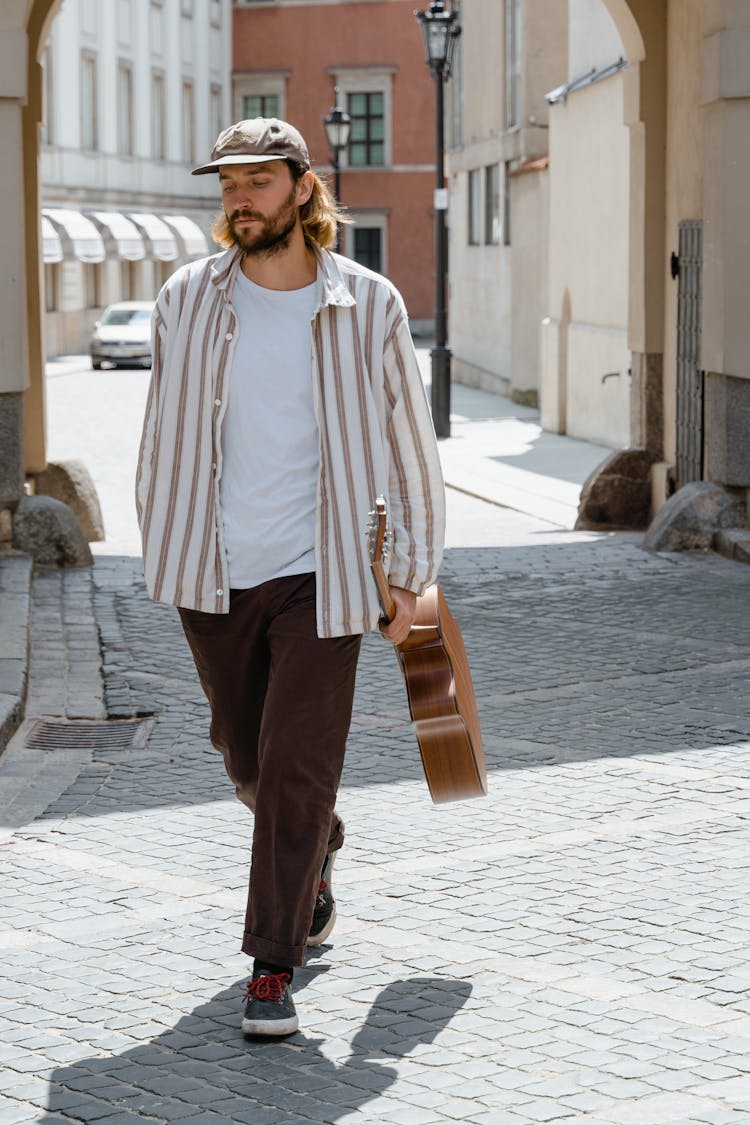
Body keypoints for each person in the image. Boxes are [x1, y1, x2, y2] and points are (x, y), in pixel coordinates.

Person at [135, 118, 445, 1037]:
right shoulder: (186, 298)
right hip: (214, 569)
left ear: (303, 190)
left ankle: (272, 966)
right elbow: (162, 433)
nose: (238, 198)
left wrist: (409, 574)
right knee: (249, 764)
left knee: (297, 766)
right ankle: (317, 847)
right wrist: (162, 536)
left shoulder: (368, 303)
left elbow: (409, 444)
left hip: (327, 570)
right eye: (228, 183)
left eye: (258, 181)